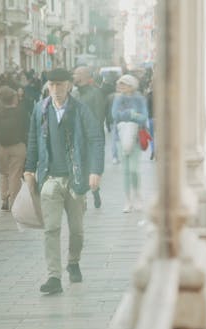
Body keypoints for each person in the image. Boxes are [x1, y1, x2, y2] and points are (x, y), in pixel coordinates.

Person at [24, 68, 105, 294]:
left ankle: (73, 261)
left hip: (76, 178)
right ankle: (54, 277)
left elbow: (97, 138)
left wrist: (95, 170)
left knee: (77, 230)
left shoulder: (80, 110)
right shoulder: (40, 110)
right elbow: (32, 141)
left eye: (60, 85)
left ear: (69, 85)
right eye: (52, 85)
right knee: (51, 228)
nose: (56, 90)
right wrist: (29, 169)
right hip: (50, 178)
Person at [111, 74, 148, 213]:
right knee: (125, 171)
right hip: (121, 138)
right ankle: (128, 200)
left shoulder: (139, 98)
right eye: (120, 85)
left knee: (133, 170)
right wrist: (132, 114)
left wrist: (127, 115)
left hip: (136, 138)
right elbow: (114, 115)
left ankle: (137, 195)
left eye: (124, 84)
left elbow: (144, 117)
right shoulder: (117, 98)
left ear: (131, 85)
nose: (121, 87)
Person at [0, 86, 28, 211]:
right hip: (18, 147)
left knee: (4, 174)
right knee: (15, 175)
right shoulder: (21, 112)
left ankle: (4, 198)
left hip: (2, 148)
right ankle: (14, 202)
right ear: (13, 98)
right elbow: (29, 130)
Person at [72, 66, 106, 209]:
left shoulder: (95, 93)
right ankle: (83, 197)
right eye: (74, 73)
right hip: (77, 138)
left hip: (92, 138)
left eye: (78, 73)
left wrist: (96, 136)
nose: (74, 76)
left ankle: (95, 190)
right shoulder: (74, 94)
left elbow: (99, 116)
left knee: (91, 166)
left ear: (86, 76)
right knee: (80, 167)